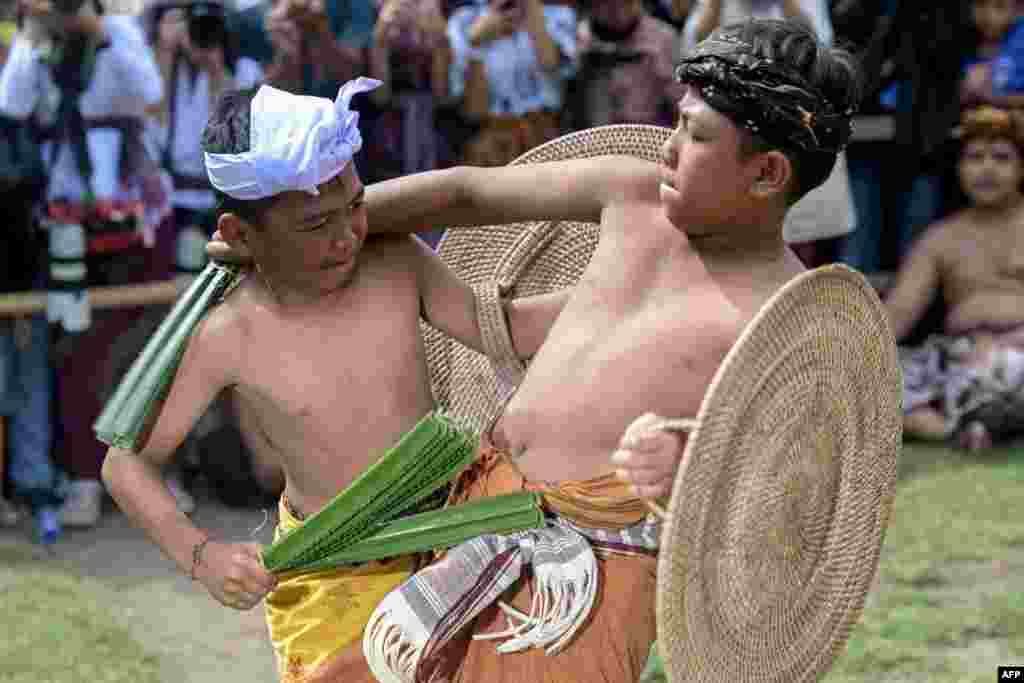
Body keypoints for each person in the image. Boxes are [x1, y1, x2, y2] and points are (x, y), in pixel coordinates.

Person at [210, 17, 862, 683]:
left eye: (694, 136)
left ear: (768, 174)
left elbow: (782, 492)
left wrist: (687, 456)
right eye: (677, 123)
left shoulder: (779, 321)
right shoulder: (631, 192)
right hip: (469, 509)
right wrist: (311, 230)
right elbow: (468, 192)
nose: (668, 149)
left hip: (586, 575)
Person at [100, 77, 566, 683]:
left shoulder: (395, 260)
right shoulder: (228, 333)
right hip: (335, 573)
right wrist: (202, 555)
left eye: (354, 206)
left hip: (458, 532)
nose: (346, 236)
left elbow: (498, 329)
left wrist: (612, 295)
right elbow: (124, 463)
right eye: (317, 224)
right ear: (242, 235)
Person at [0, 0, 167, 529]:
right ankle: (81, 478)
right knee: (72, 351)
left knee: (139, 346)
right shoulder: (39, 41)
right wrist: (31, 35)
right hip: (64, 217)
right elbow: (11, 104)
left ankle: (149, 477)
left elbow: (149, 92)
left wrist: (99, 31)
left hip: (128, 209)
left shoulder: (118, 32)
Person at [886, 106, 1024, 453]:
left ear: (1021, 168)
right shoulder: (942, 238)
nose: (987, 168)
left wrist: (1011, 343)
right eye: (975, 158)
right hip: (962, 359)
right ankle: (956, 428)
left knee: (1010, 366)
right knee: (879, 378)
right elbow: (898, 315)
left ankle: (979, 422)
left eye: (1002, 157)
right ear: (959, 169)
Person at [447, 0, 577, 166]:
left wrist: (533, 13)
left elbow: (550, 64)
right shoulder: (463, 21)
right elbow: (474, 110)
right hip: (493, 143)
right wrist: (476, 45)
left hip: (544, 137)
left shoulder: (558, 15)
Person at [569, 0, 682, 130]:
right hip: (596, 136)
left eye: (625, 3)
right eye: (606, 4)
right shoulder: (581, 36)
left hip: (647, 134)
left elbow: (681, 102)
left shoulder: (662, 38)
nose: (616, 11)